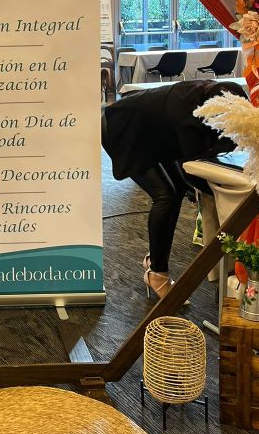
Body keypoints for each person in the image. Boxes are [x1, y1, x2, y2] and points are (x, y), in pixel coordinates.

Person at [101, 79, 247, 300]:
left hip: (150, 129)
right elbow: (192, 168)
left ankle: (155, 260)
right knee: (165, 196)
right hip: (122, 128)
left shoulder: (218, 95)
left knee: (176, 191)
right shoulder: (187, 116)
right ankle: (157, 274)